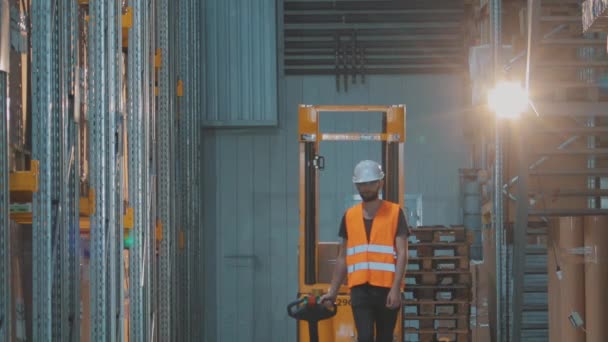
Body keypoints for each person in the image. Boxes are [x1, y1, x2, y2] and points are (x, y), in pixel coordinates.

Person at [320, 160, 409, 342]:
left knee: (385, 338)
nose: (366, 188)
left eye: (370, 183)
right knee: (365, 337)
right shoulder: (349, 216)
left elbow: (402, 254)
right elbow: (343, 257)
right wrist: (333, 291)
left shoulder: (395, 213)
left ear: (380, 183)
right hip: (360, 291)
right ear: (356, 185)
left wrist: (396, 289)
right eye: (362, 184)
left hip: (386, 290)